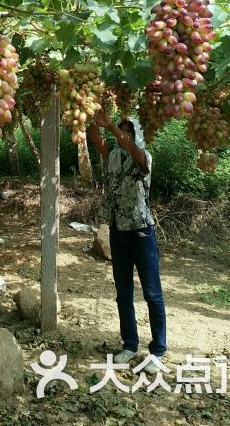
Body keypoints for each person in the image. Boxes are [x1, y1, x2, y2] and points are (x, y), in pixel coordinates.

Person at [89, 111, 167, 375]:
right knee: (123, 293)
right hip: (118, 231)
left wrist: (111, 125)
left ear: (137, 135)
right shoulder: (113, 158)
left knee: (152, 294)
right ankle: (130, 345)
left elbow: (126, 145)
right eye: (123, 130)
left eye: (129, 130)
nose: (124, 135)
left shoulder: (142, 157)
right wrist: (90, 117)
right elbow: (98, 141)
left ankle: (157, 351)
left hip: (141, 232)